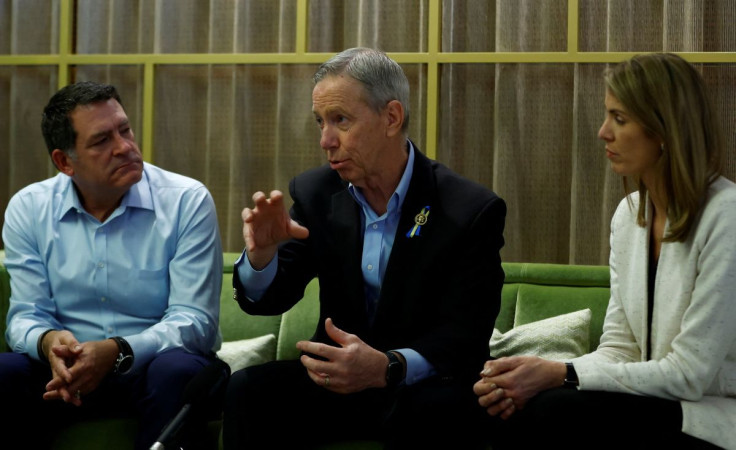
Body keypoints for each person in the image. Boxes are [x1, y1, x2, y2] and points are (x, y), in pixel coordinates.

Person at [223, 47, 506, 449]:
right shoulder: (316, 192)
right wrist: (262, 256)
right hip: (335, 381)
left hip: (420, 384)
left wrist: (389, 366)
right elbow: (272, 297)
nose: (325, 140)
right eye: (320, 122)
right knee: (249, 390)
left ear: (391, 117)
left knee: (446, 409)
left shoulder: (468, 210)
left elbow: (466, 335)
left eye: (340, 120)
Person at [474, 53, 736, 449]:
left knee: (554, 411)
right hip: (652, 403)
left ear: (664, 129)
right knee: (504, 407)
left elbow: (689, 375)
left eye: (620, 118)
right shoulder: (629, 216)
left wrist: (559, 373)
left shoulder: (727, 216)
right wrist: (526, 377)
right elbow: (618, 348)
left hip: (711, 416)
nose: (603, 132)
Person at [0, 81, 225, 449]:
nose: (125, 147)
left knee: (179, 372)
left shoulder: (186, 200)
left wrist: (118, 350)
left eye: (125, 129)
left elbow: (194, 321)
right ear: (64, 161)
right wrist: (48, 342)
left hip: (150, 367)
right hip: (65, 373)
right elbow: (26, 316)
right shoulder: (29, 208)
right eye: (102, 141)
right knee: (5, 372)